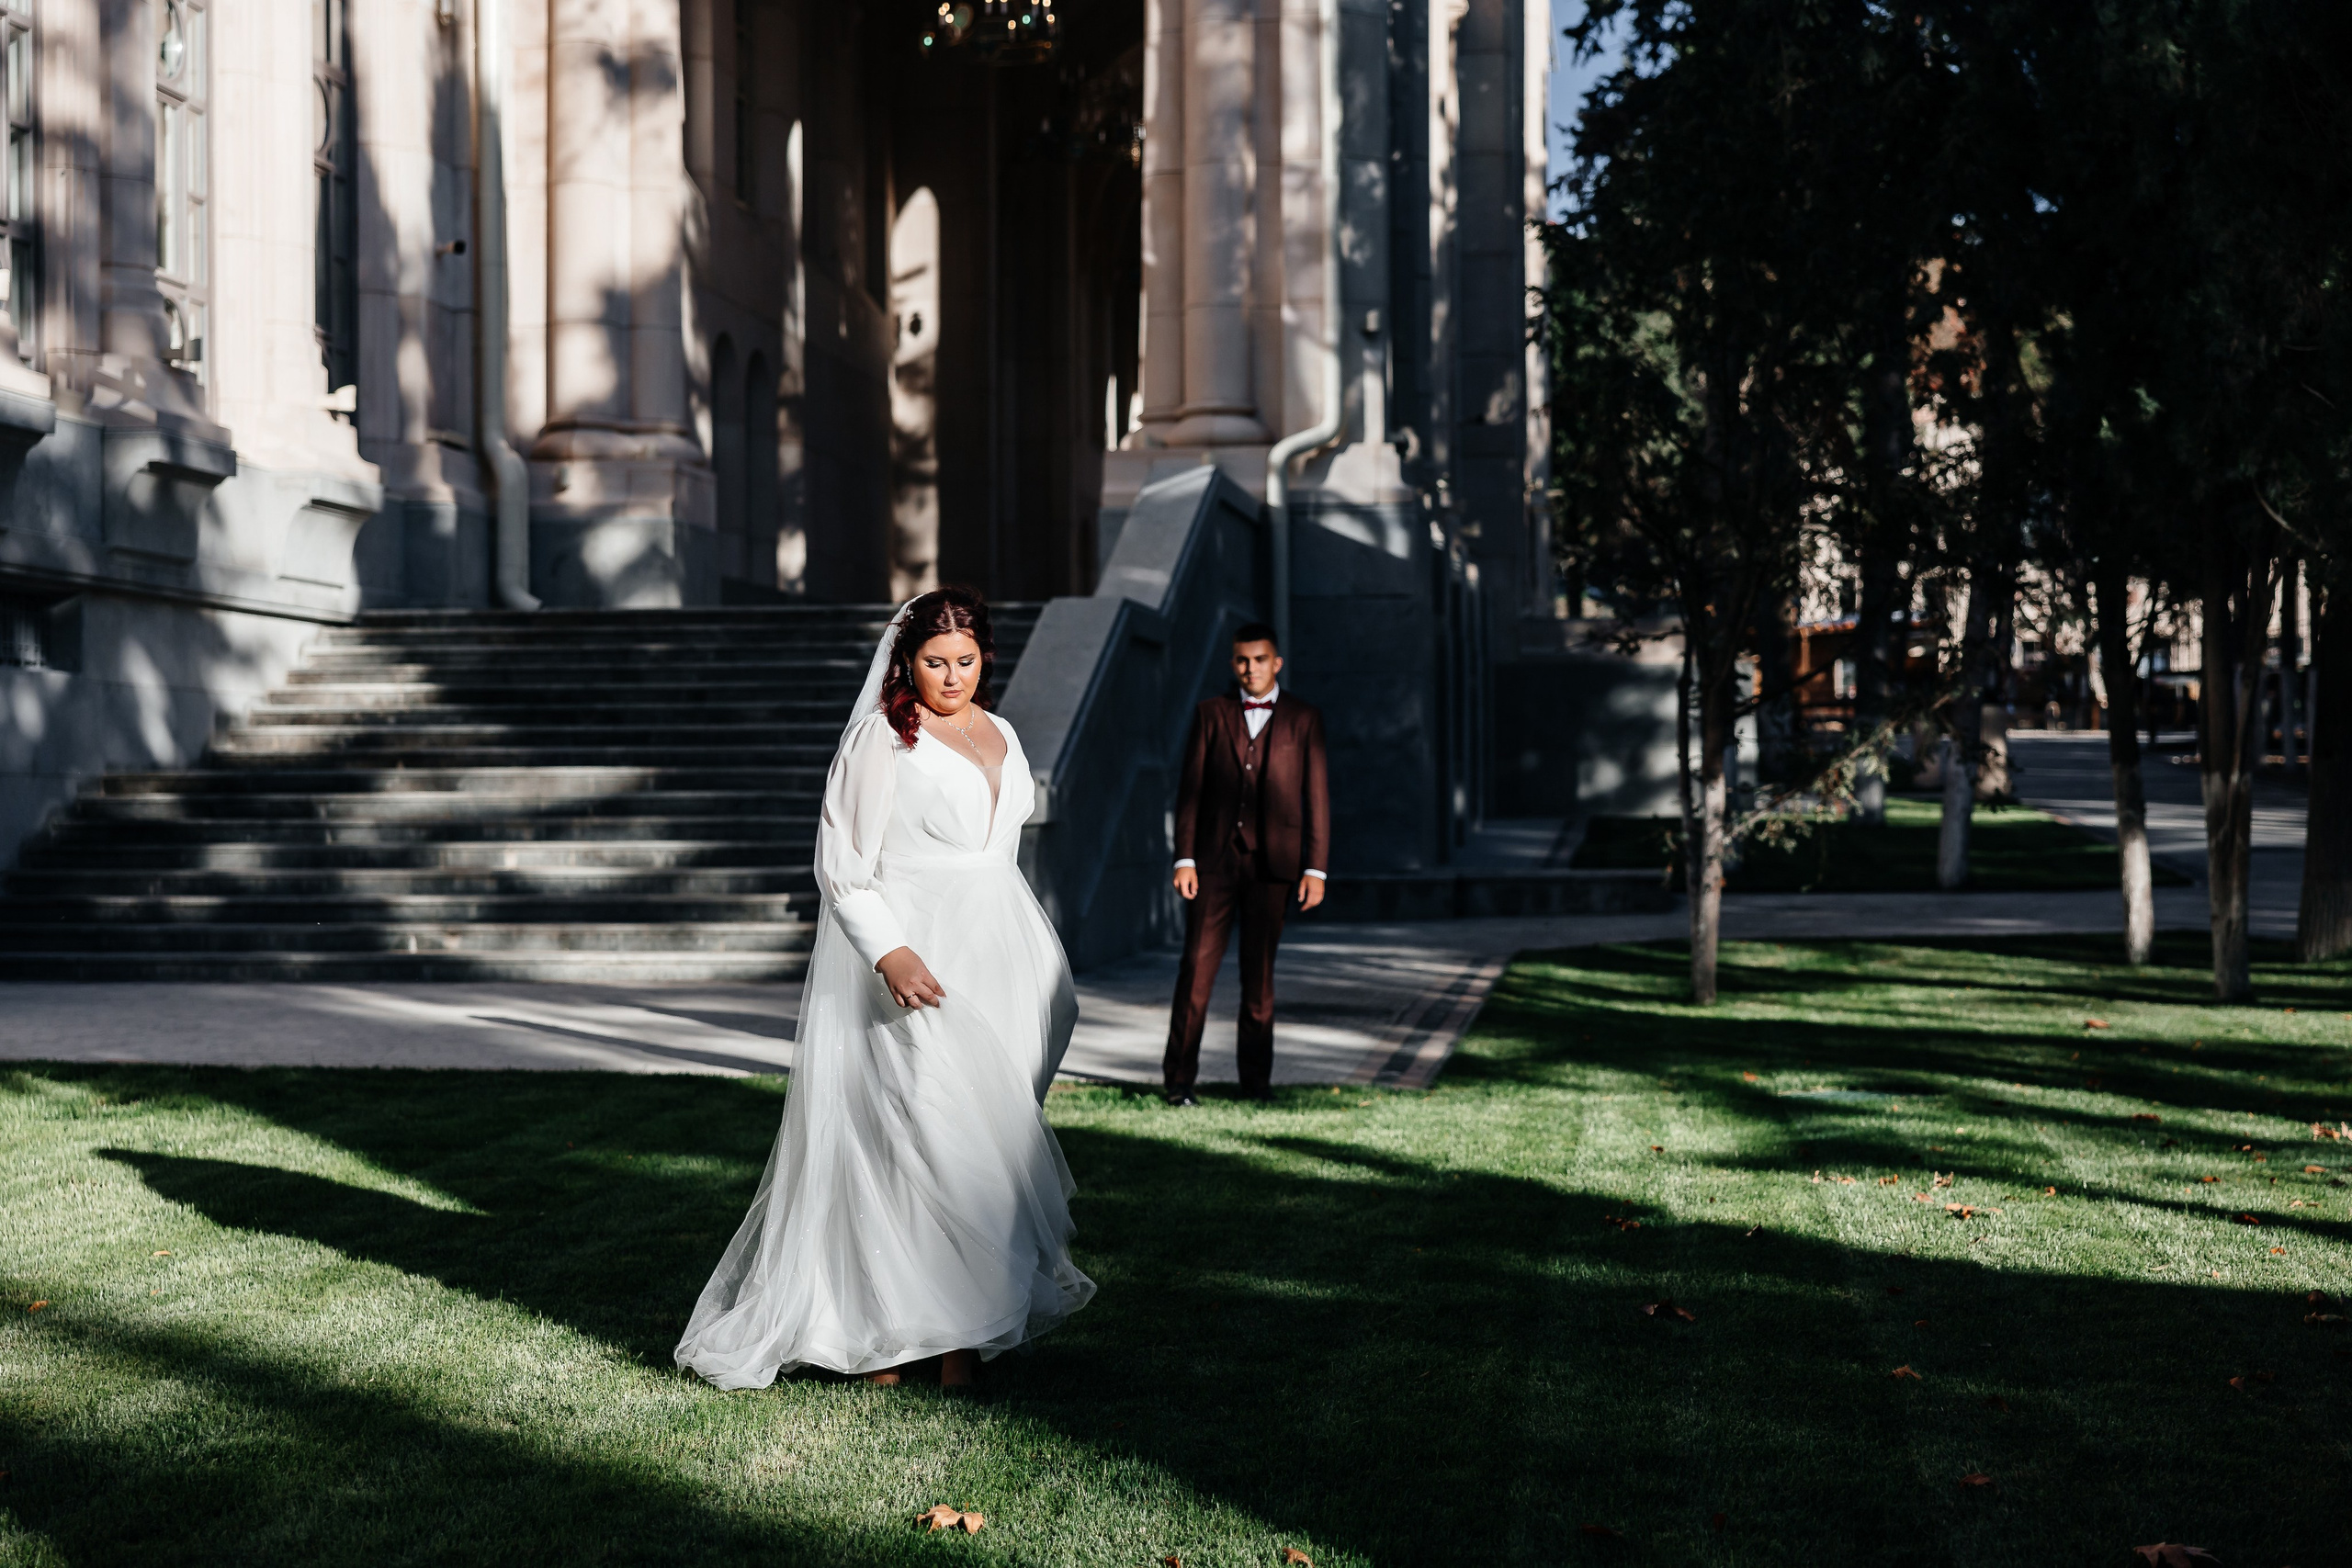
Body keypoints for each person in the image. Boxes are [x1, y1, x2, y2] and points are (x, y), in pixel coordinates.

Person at [675, 588, 1095, 1392]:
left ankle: (966, 1334)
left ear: (985, 657)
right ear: (907, 660)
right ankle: (896, 1340)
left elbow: (1001, 847)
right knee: (921, 1138)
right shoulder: (883, 739)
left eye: (965, 660)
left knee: (989, 1150)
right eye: (935, 661)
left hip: (1003, 955)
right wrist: (889, 951)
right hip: (918, 957)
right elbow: (843, 861)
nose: (951, 676)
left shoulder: (1001, 732)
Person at [1163, 621, 1330, 1104]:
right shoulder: (1210, 713)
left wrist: (1315, 868)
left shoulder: (1304, 718)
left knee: (1259, 979)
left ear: (1276, 663)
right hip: (1213, 863)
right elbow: (1190, 790)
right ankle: (1179, 1082)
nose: (1250, 668)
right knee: (1195, 970)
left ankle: (1256, 1085)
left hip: (1273, 868)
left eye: (1259, 660)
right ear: (1233, 663)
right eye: (1242, 659)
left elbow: (1316, 797)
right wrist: (1185, 857)